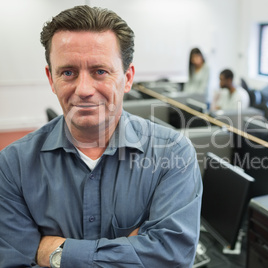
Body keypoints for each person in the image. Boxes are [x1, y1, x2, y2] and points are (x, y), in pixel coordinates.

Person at [0, 5, 202, 268]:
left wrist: (54, 253)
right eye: (68, 72)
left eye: (100, 71)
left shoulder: (173, 153)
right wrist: (133, 250)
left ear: (127, 78)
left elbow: (170, 258)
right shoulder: (12, 166)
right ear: (51, 79)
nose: (84, 89)